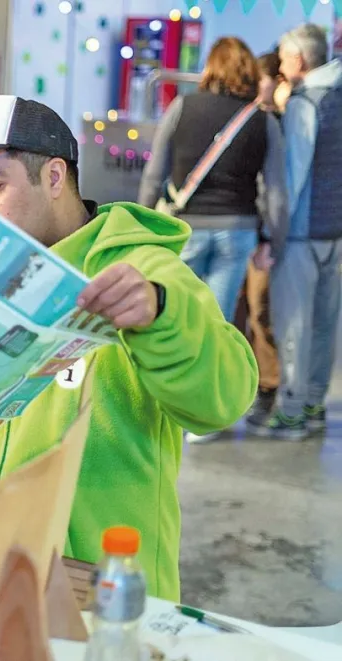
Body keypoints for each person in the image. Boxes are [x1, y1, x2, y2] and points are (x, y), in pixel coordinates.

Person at [0, 94, 258, 601]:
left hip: (105, 593)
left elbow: (224, 401)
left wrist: (159, 315)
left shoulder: (147, 270)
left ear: (54, 177)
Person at [137, 37, 287, 327]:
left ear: (211, 67)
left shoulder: (182, 107)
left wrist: (141, 226)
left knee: (174, 314)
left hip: (184, 227)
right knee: (217, 323)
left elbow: (154, 175)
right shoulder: (264, 121)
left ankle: (176, 370)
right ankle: (212, 371)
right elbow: (276, 193)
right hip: (236, 230)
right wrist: (272, 241)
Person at [253, 24, 342, 439]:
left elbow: (291, 177)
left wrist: (273, 233)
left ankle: (290, 411)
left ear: (300, 61)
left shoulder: (307, 103)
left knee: (293, 324)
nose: (282, 64)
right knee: (325, 324)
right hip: (335, 233)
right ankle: (314, 403)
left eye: (286, 57)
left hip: (303, 233)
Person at [234, 51, 288, 429]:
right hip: (237, 226)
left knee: (261, 310)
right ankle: (238, 385)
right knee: (233, 312)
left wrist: (271, 237)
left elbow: (279, 189)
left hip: (262, 236)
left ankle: (267, 389)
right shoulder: (243, 119)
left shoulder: (278, 123)